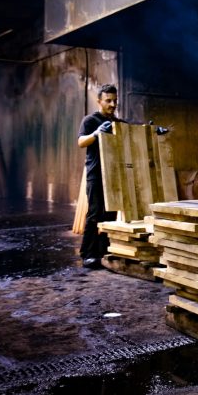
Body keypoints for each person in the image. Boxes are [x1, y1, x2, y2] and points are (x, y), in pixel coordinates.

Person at [77, 84, 120, 268]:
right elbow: (81, 142)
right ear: (99, 101)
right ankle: (87, 254)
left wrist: (152, 131)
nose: (113, 104)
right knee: (94, 213)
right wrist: (95, 134)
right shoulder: (90, 120)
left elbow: (134, 131)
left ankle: (104, 252)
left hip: (113, 174)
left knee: (110, 214)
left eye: (115, 101)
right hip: (95, 174)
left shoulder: (117, 122)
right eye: (108, 101)